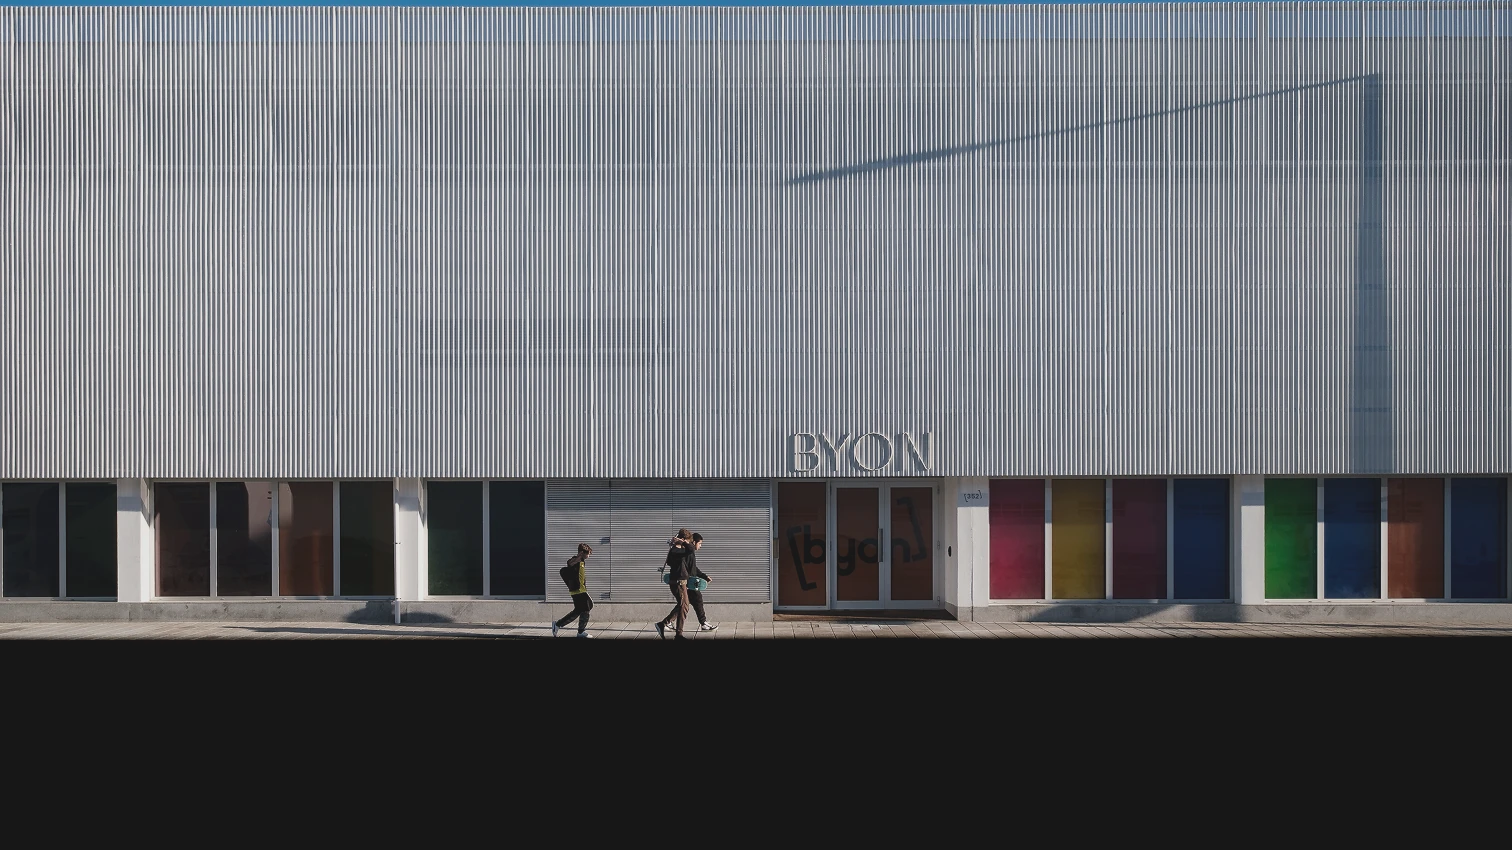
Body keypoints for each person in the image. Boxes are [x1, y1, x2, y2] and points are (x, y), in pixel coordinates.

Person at [655, 528, 694, 640]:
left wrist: (682, 543)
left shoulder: (677, 550)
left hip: (681, 583)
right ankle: (677, 634)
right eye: (686, 540)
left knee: (684, 606)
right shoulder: (675, 551)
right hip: (678, 583)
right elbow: (691, 549)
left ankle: (665, 625)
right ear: (682, 539)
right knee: (684, 606)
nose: (688, 543)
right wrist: (682, 543)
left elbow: (689, 550)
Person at [552, 543, 594, 638]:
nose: (589, 555)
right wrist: (578, 556)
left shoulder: (582, 561)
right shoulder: (575, 560)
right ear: (582, 552)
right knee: (587, 608)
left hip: (580, 589)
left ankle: (558, 624)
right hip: (578, 590)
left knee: (580, 610)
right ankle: (580, 632)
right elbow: (569, 563)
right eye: (588, 553)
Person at [682, 532, 717, 631]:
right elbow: (690, 569)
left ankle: (666, 622)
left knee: (685, 604)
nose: (700, 546)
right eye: (700, 543)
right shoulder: (689, 552)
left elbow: (694, 568)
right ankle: (703, 623)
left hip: (690, 582)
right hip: (689, 583)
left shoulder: (690, 553)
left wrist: (704, 576)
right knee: (695, 600)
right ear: (694, 542)